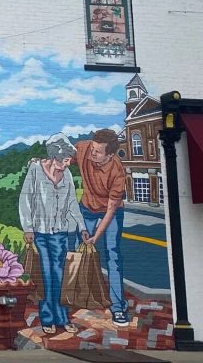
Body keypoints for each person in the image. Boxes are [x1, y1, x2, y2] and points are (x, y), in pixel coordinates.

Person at [19, 133, 89, 335]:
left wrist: (82, 226)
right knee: (46, 277)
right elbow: (25, 201)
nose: (68, 164)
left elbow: (72, 204)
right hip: (40, 234)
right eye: (66, 160)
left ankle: (63, 317)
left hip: (60, 234)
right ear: (56, 156)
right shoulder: (35, 170)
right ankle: (48, 318)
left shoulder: (66, 176)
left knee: (61, 277)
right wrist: (28, 228)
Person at [75, 128, 129, 326]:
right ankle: (77, 295)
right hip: (87, 207)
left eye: (98, 152)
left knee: (113, 254)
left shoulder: (117, 172)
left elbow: (110, 210)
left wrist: (95, 237)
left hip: (110, 211)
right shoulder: (84, 148)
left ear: (110, 154)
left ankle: (117, 307)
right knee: (78, 251)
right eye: (92, 148)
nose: (92, 153)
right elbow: (62, 155)